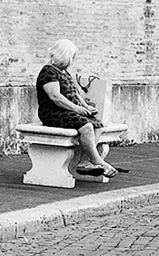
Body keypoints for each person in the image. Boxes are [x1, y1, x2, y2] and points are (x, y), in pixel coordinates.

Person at [36, 38, 126, 179]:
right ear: (63, 55)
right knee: (86, 127)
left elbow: (75, 93)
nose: (72, 61)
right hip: (53, 112)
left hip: (68, 110)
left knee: (98, 124)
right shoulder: (48, 72)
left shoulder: (64, 72)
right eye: (71, 57)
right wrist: (77, 109)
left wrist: (85, 107)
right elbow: (55, 97)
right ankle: (97, 161)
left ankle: (84, 162)